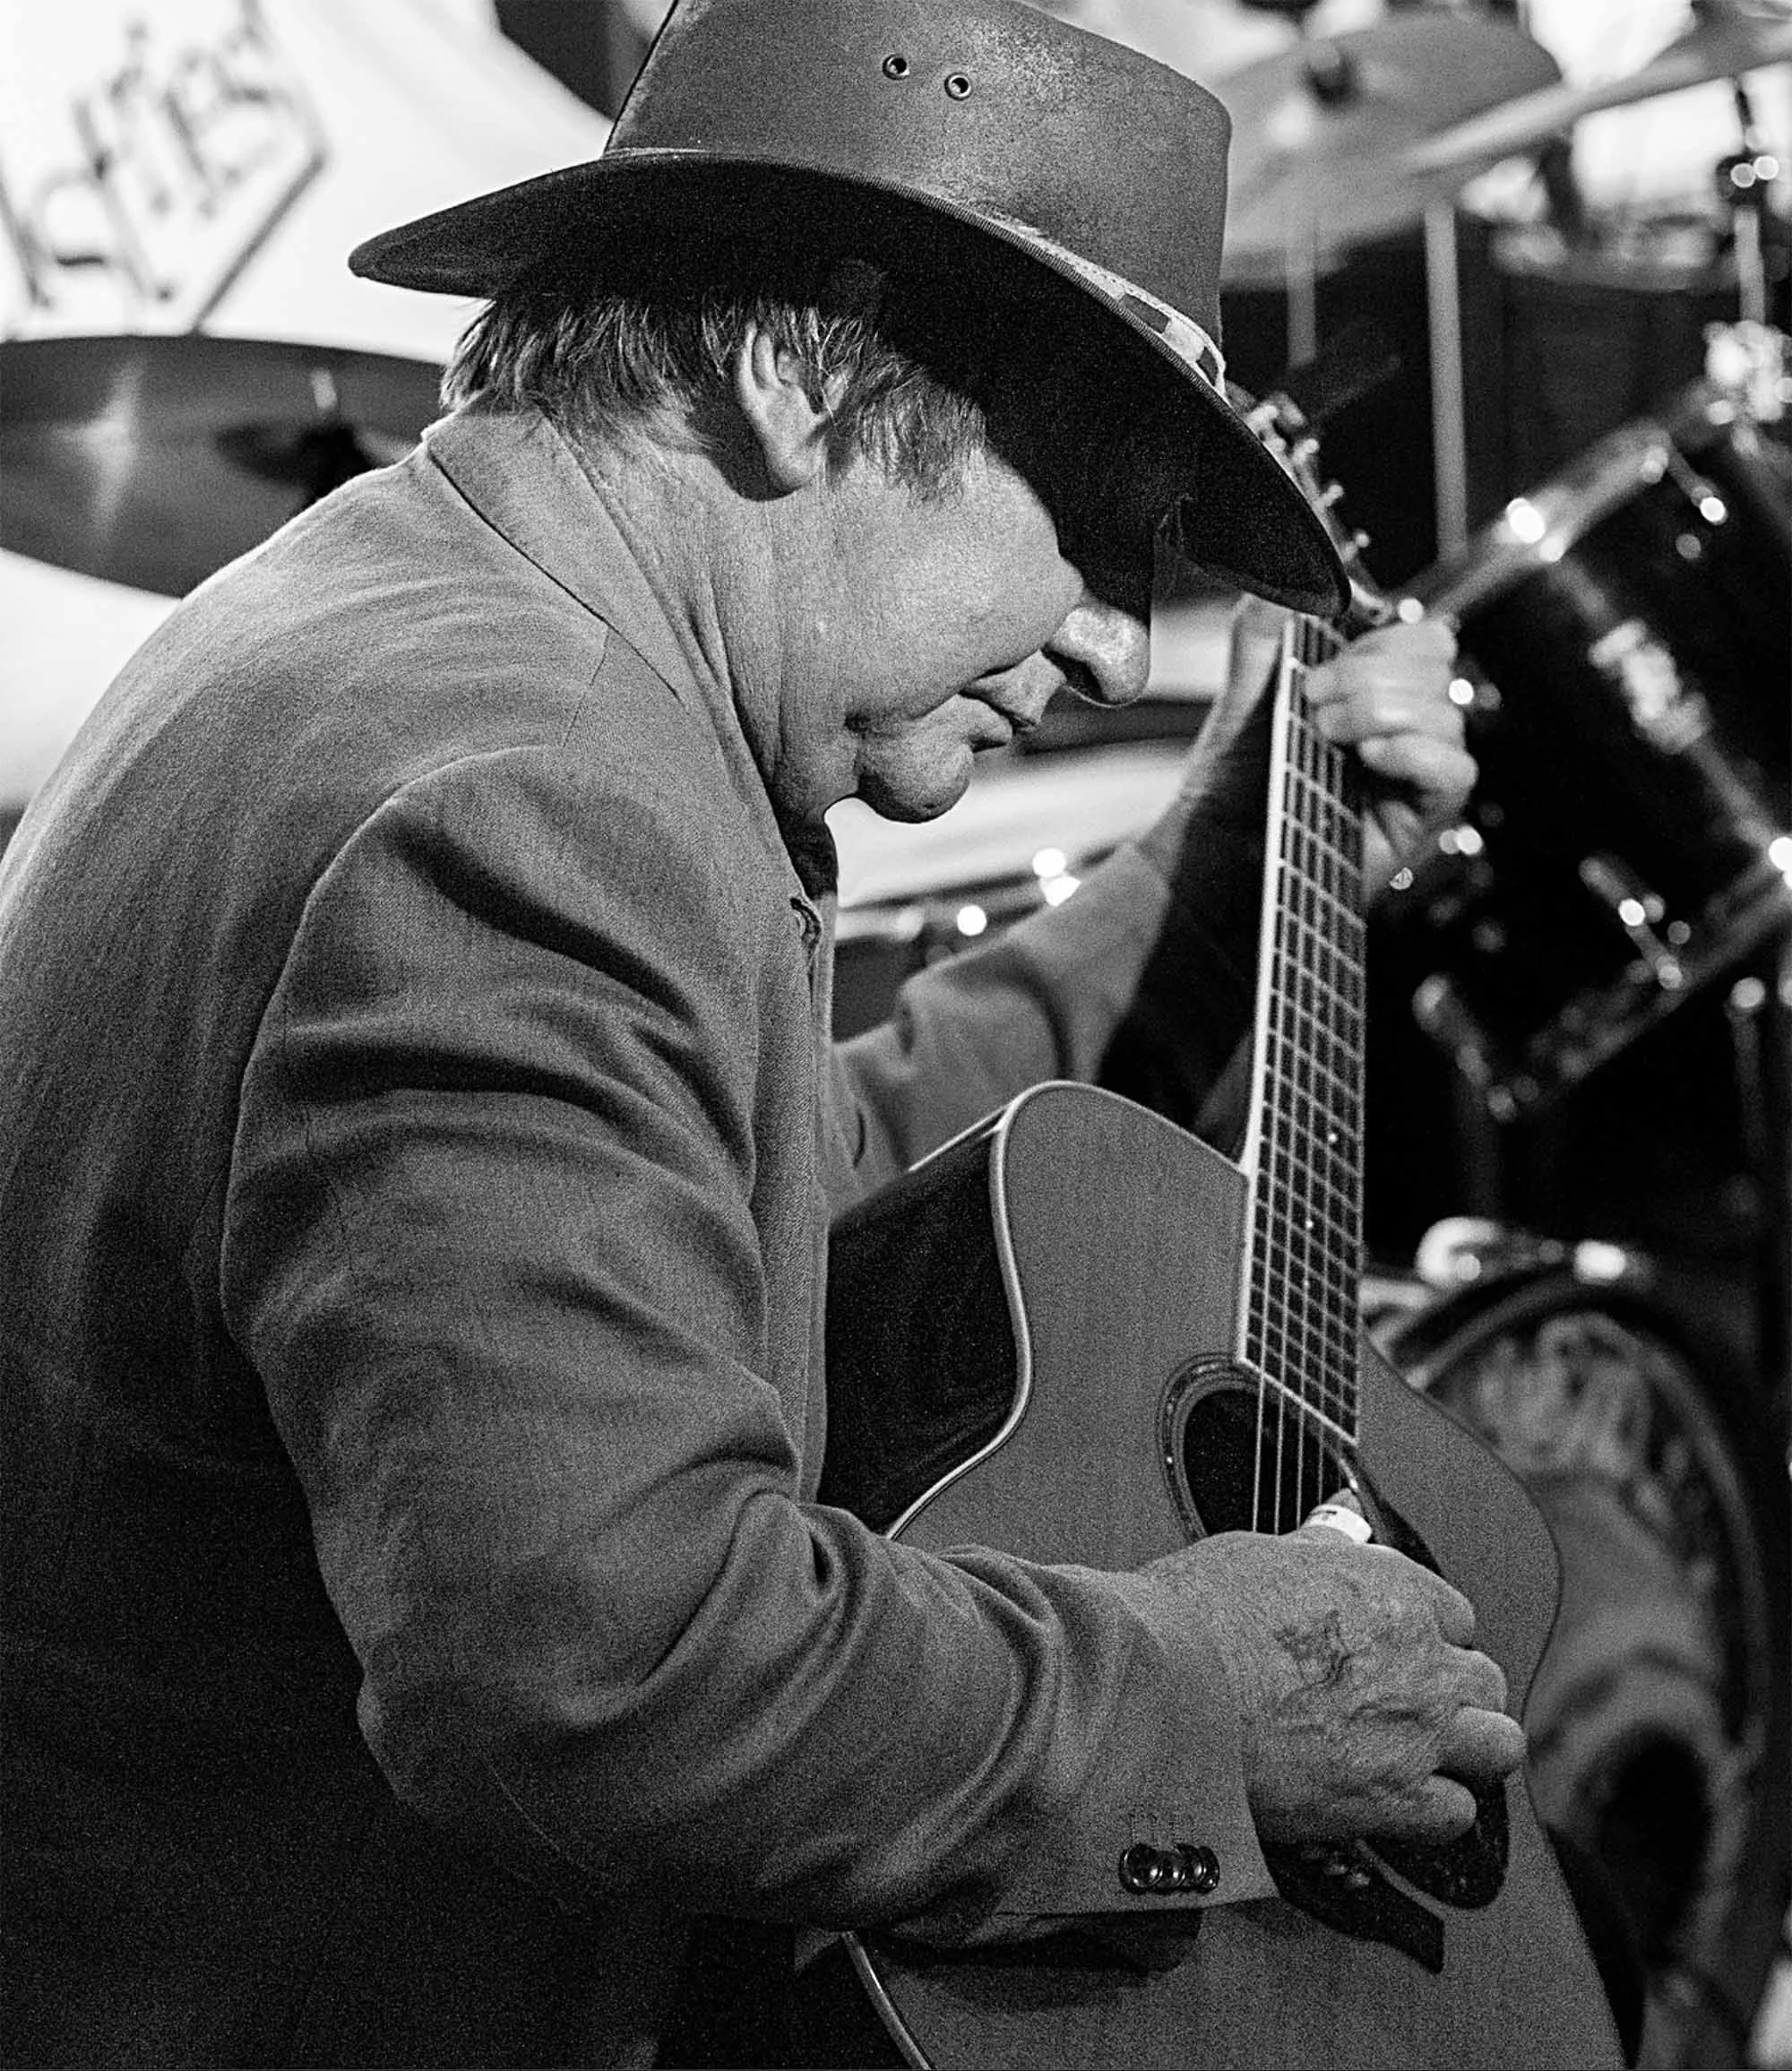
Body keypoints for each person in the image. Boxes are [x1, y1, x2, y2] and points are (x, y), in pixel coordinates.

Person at [0, 2, 1516, 2066]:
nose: (1099, 638)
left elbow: (784, 1201)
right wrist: (1197, 1705)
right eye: (1084, 507)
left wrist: (1225, 868)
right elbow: (606, 1673)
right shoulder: (517, 799)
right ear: (803, 372)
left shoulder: (429, 626)